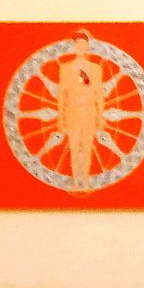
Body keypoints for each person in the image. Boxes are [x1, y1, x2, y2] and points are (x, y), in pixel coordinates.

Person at [57, 29, 107, 193]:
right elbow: (62, 94)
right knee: (73, 147)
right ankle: (75, 183)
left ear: (87, 48)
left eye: (84, 45)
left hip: (89, 113)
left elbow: (99, 93)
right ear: (74, 47)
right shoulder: (65, 68)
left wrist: (101, 116)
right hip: (72, 113)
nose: (80, 48)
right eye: (77, 45)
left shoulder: (95, 69)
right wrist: (61, 117)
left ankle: (85, 182)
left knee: (86, 148)